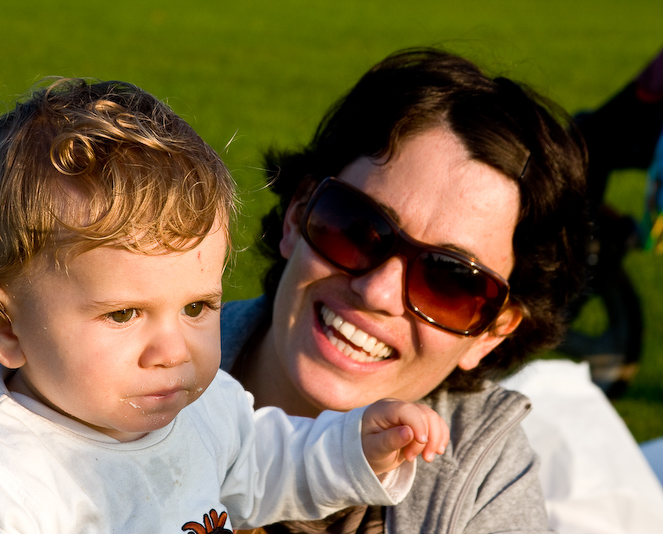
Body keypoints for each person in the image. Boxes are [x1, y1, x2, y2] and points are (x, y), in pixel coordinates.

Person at [0, 78, 451, 533]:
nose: (172, 351)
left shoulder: (193, 406)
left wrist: (355, 448)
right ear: (4, 326)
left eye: (196, 307)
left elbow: (260, 462)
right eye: (123, 314)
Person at [221, 48, 590, 533]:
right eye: (357, 228)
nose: (377, 292)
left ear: (491, 334)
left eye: (451, 280)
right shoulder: (123, 375)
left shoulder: (483, 481)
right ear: (297, 213)